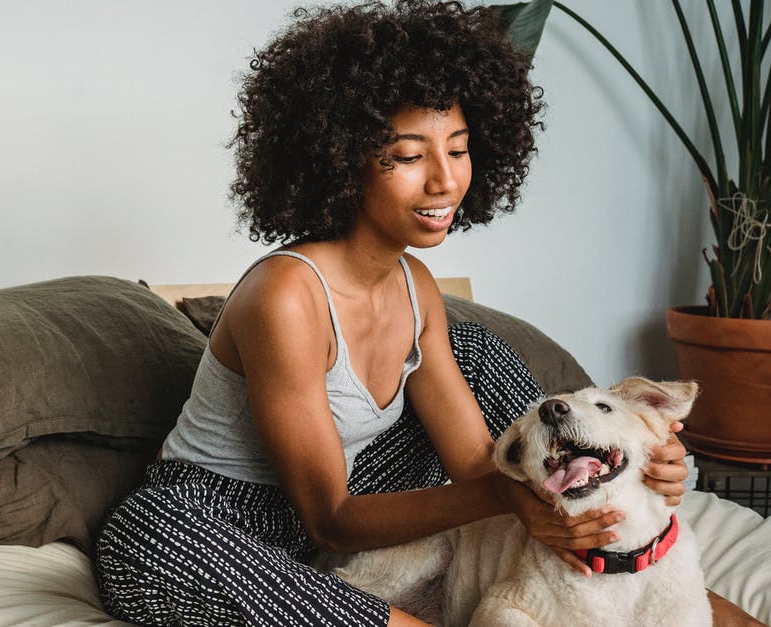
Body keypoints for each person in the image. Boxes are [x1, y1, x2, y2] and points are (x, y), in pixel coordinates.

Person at [93, 2, 697, 625]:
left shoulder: (418, 286)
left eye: (458, 150)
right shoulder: (286, 296)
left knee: (477, 354)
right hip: (217, 520)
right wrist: (506, 495)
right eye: (408, 157)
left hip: (355, 506)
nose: (443, 181)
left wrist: (626, 459)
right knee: (152, 537)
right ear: (340, 157)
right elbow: (329, 518)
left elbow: (475, 462)